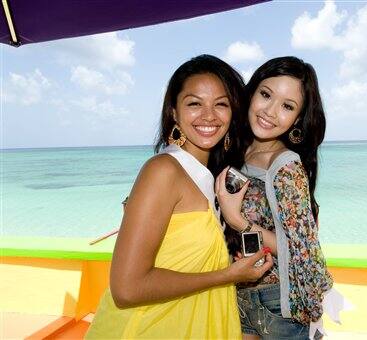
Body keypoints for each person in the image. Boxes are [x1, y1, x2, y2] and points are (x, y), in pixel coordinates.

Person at [86, 55, 273, 339]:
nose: (208, 116)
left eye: (220, 104)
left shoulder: (210, 178)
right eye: (195, 103)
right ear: (174, 111)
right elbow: (126, 288)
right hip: (153, 327)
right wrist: (229, 275)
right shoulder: (162, 170)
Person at [216, 56, 344, 340]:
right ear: (251, 94)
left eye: (287, 106)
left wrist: (237, 220)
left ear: (298, 118)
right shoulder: (239, 150)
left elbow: (300, 249)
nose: (271, 112)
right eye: (266, 95)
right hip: (240, 294)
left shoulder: (285, 165)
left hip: (277, 302)